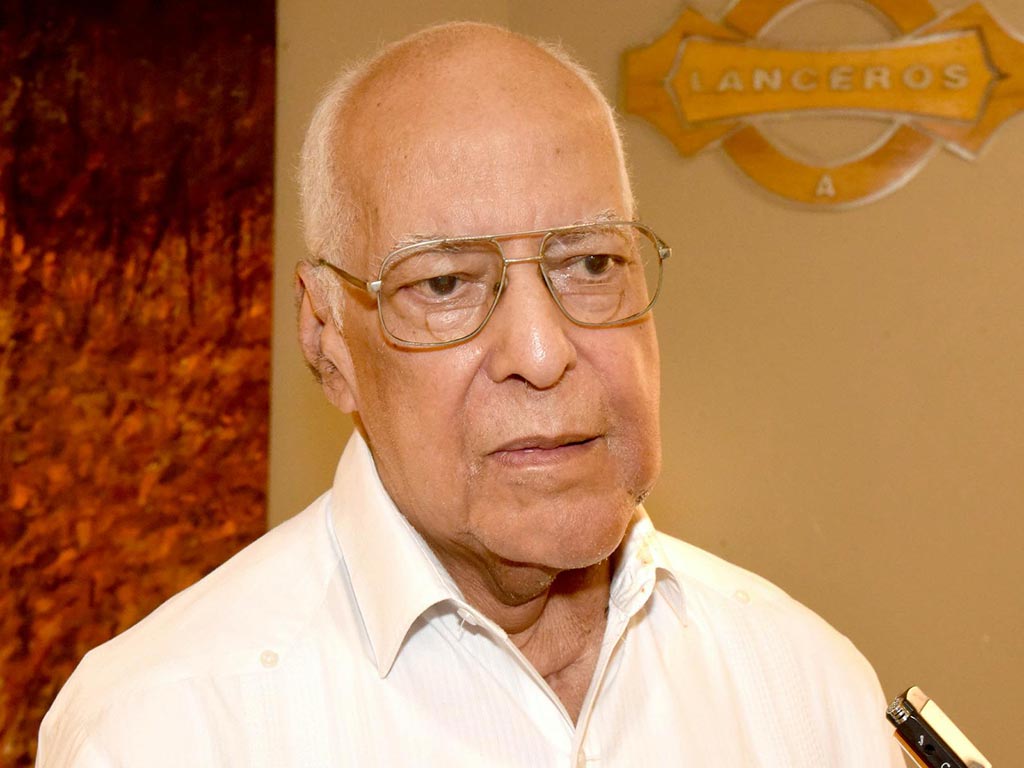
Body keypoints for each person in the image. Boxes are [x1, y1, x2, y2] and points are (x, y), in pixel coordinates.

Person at [38, 22, 905, 767]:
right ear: (327, 338)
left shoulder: (806, 688)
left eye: (591, 263)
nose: (542, 353)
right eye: (445, 282)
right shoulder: (171, 727)